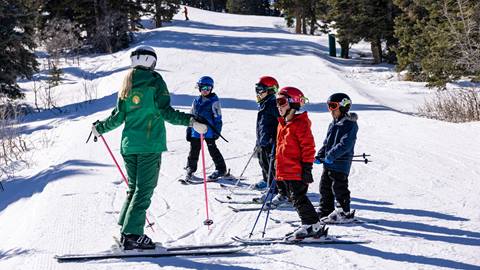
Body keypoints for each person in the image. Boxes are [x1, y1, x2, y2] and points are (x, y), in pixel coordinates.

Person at [92, 46, 207, 250]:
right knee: (143, 190)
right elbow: (167, 112)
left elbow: (118, 117)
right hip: (149, 144)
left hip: (129, 146)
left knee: (134, 189)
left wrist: (100, 127)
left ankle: (125, 229)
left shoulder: (126, 82)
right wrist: (191, 122)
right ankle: (133, 235)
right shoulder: (155, 81)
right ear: (148, 60)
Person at [275, 86, 324, 239]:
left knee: (299, 198)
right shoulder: (284, 124)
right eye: (277, 102)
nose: (278, 106)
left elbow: (309, 147)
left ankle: (312, 226)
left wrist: (307, 168)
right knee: (294, 198)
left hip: (297, 169)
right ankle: (310, 224)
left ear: (293, 103)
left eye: (281, 102)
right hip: (286, 169)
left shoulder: (300, 124)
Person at [314, 93, 358, 223]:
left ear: (344, 107)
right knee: (324, 187)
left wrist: (331, 155)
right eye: (329, 106)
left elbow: (345, 144)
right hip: (328, 163)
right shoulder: (332, 124)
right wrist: (321, 155)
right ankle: (325, 209)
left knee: (339, 187)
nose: (331, 110)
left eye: (333, 106)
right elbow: (327, 142)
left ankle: (344, 212)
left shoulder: (350, 125)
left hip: (340, 163)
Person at [185, 76, 227, 181]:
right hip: (196, 130)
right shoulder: (196, 101)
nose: (206, 91)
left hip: (209, 131)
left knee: (213, 150)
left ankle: (221, 169)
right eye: (203, 88)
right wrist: (189, 129)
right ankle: (190, 169)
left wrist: (217, 131)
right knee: (194, 150)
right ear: (199, 88)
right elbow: (191, 115)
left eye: (208, 88)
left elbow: (218, 117)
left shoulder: (214, 101)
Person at [253, 76, 279, 190]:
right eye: (257, 89)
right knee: (262, 161)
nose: (258, 92)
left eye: (261, 89)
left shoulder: (273, 104)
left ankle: (274, 186)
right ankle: (266, 179)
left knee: (270, 164)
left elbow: (281, 122)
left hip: (271, 141)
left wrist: (275, 139)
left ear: (270, 90)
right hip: (263, 140)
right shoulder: (264, 103)